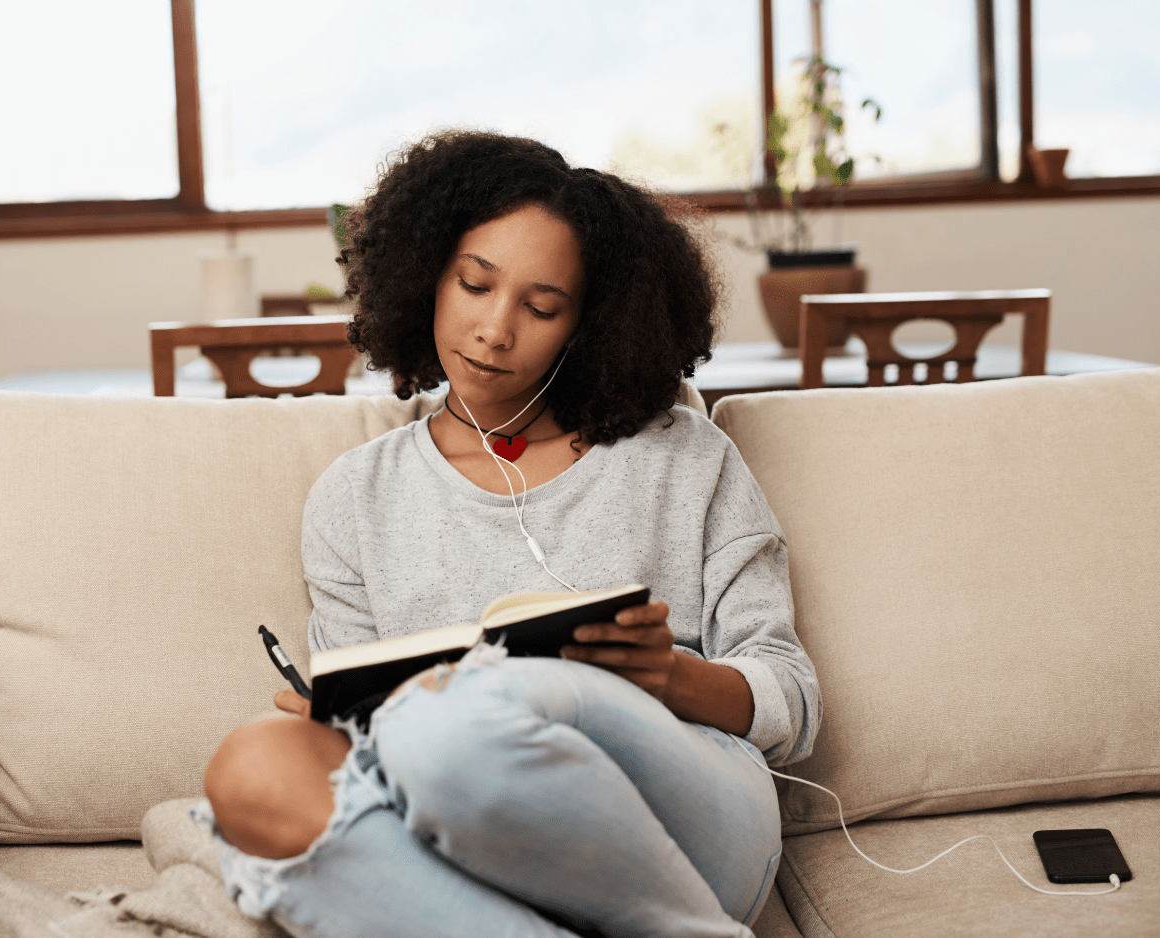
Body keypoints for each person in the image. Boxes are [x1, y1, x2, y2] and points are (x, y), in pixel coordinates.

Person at [203, 131, 820, 938]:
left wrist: (670, 679)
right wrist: (336, 717)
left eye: (540, 307)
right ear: (426, 276)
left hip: (692, 816)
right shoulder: (355, 497)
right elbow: (360, 753)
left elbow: (795, 701)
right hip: (466, 834)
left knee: (453, 708)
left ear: (588, 324)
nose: (495, 330)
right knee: (252, 765)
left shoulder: (681, 456)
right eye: (473, 285)